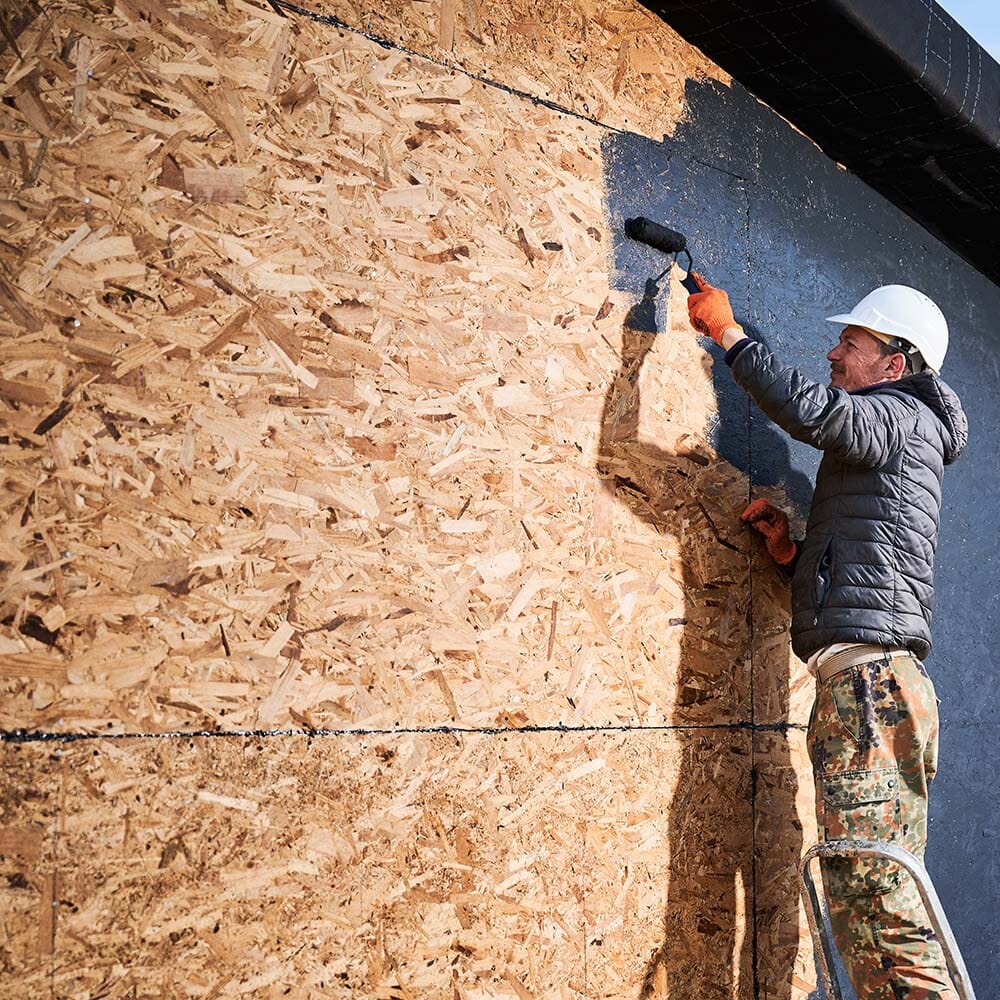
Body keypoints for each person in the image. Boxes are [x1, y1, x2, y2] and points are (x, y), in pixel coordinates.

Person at [686, 274, 968, 999]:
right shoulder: (902, 433)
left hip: (871, 692)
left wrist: (730, 335)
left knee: (875, 894)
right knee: (870, 892)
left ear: (894, 365)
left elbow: (815, 413)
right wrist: (794, 556)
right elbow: (865, 564)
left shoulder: (900, 417)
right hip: (876, 685)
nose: (835, 352)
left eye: (852, 343)